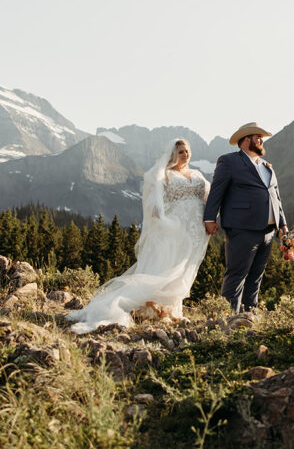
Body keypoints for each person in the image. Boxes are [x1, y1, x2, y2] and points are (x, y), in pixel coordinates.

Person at [66, 138, 211, 334]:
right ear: (172, 155)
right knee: (168, 267)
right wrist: (168, 224)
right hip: (174, 230)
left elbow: (207, 198)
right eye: (180, 152)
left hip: (195, 230)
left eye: (186, 151)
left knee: (185, 267)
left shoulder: (198, 174)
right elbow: (154, 207)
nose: (185, 155)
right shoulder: (163, 175)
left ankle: (174, 308)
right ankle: (157, 309)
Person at [203, 122, 288, 313]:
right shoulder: (229, 161)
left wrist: (283, 225)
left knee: (256, 276)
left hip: (268, 231)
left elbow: (276, 198)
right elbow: (217, 191)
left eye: (261, 137)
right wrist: (210, 218)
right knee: (237, 274)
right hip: (242, 228)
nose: (261, 140)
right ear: (245, 140)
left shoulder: (267, 167)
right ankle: (227, 317)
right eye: (257, 136)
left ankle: (249, 316)